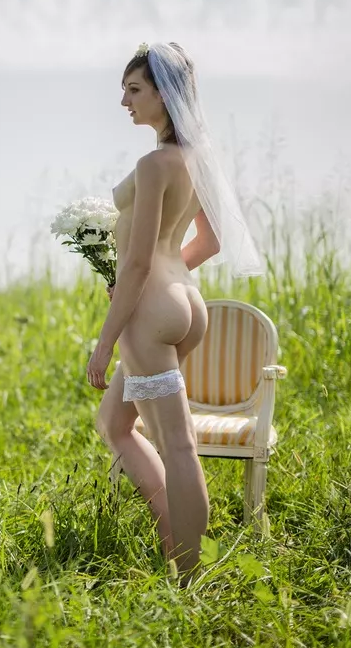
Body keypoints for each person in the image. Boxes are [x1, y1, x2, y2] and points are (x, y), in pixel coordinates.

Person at [87, 43, 263, 585]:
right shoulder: (197, 159)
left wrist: (105, 340)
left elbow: (137, 264)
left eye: (134, 89)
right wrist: (170, 284)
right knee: (115, 422)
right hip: (186, 302)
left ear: (164, 94)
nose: (124, 101)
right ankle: (174, 530)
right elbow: (207, 241)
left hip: (151, 311)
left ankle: (189, 578)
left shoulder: (153, 164)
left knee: (179, 443)